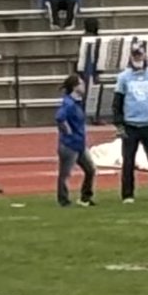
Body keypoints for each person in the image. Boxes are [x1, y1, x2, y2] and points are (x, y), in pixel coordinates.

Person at [113, 43, 148, 203]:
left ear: (145, 56)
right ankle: (128, 194)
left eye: (140, 55)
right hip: (130, 125)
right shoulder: (123, 77)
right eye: (135, 55)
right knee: (128, 161)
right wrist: (119, 124)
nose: (137, 58)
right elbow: (118, 102)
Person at [54, 73, 95, 208]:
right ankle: (63, 199)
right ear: (75, 87)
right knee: (65, 174)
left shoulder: (76, 102)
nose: (84, 86)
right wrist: (68, 132)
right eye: (81, 84)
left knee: (90, 169)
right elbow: (60, 118)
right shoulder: (69, 103)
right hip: (70, 145)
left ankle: (86, 196)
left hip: (80, 144)